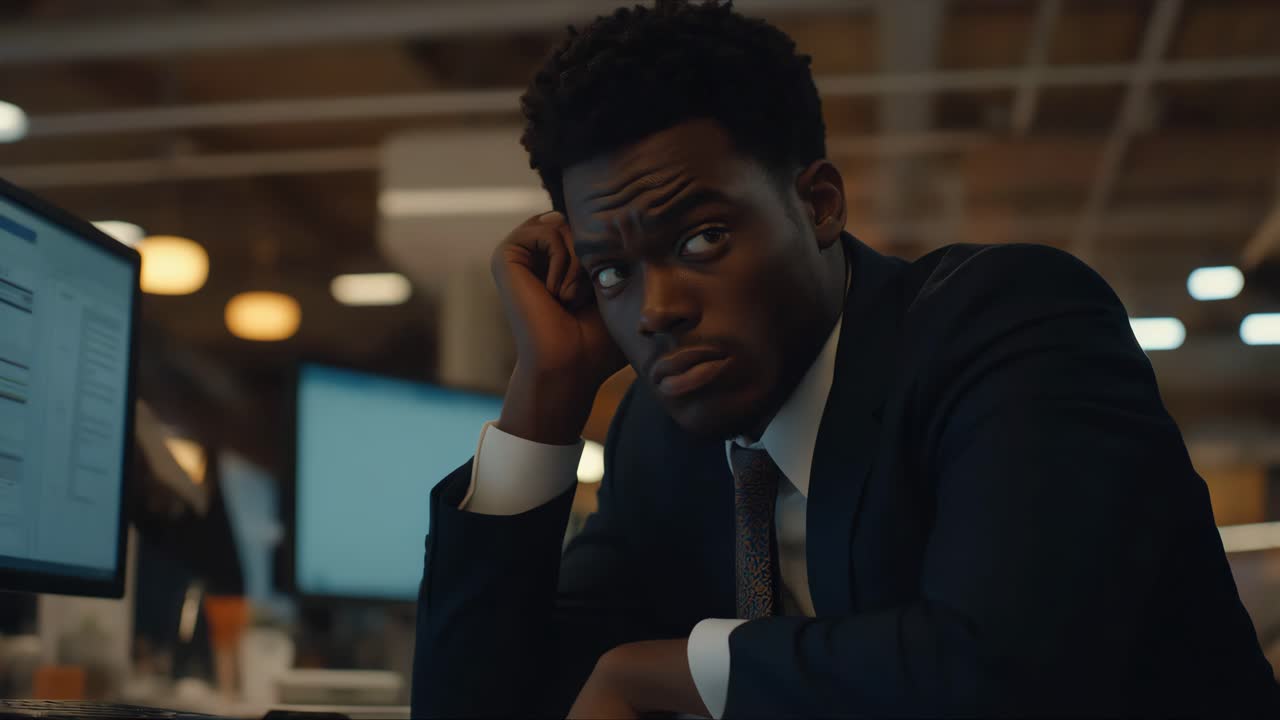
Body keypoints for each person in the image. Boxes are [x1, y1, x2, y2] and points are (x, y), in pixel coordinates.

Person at [410, 1, 1280, 717]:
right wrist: (546, 399)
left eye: (704, 237)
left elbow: (1010, 671)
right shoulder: (661, 440)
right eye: (612, 271)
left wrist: (663, 670)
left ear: (819, 203)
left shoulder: (1009, 324)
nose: (659, 309)